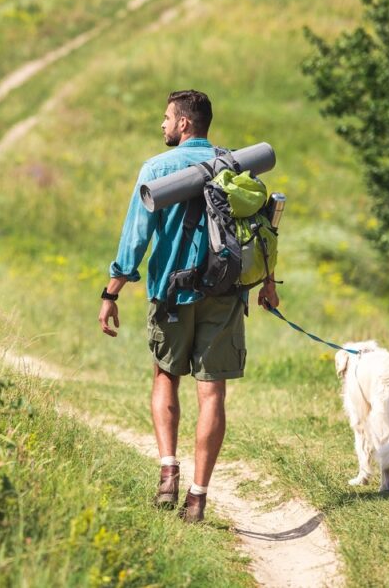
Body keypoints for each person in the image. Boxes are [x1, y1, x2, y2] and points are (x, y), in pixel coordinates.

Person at [98, 90, 278, 523]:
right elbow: (261, 227)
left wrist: (111, 292)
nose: (161, 125)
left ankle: (167, 473)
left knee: (165, 375)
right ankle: (198, 498)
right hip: (224, 293)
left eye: (165, 118)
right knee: (212, 390)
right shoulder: (235, 165)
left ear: (184, 125)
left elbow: (135, 240)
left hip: (171, 293)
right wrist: (268, 282)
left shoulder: (158, 170)